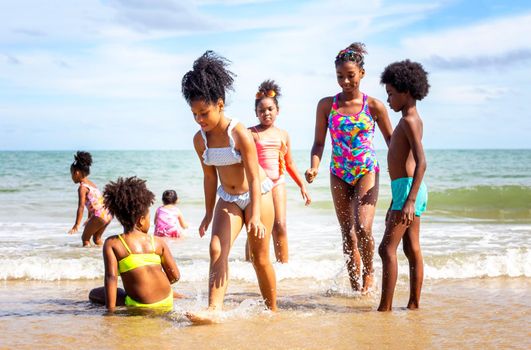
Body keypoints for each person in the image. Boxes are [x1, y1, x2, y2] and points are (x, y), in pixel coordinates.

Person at [181, 51, 277, 324]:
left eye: (204, 113)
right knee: (216, 248)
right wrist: (208, 213)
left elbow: (255, 177)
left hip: (259, 195)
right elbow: (210, 178)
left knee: (260, 258)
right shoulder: (200, 140)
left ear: (220, 105)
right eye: (195, 114)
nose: (200, 119)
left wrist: (255, 215)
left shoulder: (239, 133)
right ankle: (214, 309)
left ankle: (272, 310)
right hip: (229, 197)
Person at [305, 43, 393, 293]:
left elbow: (392, 141)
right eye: (340, 76)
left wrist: (400, 171)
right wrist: (314, 167)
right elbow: (319, 143)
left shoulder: (374, 106)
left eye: (350, 75)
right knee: (348, 232)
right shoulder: (326, 105)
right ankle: (355, 286)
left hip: (366, 170)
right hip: (339, 172)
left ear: (362, 74)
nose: (345, 81)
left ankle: (369, 273)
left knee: (363, 228)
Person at [377, 60, 429, 311]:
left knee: (386, 250)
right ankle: (413, 304)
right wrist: (395, 201)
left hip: (409, 190)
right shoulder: (409, 119)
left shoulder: (409, 120)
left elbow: (421, 162)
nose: (388, 100)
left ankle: (384, 309)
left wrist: (408, 200)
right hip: (404, 190)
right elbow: (405, 163)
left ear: (406, 92)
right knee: (410, 248)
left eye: (390, 94)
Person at [88, 176, 181, 312]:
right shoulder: (157, 242)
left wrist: (110, 311)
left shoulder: (113, 243)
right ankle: (173, 295)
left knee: (94, 294)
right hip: (167, 300)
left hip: (141, 305)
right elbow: (175, 276)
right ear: (141, 220)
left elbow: (111, 278)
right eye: (149, 218)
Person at [245, 80, 311, 263]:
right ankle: (249, 265)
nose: (266, 113)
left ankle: (284, 267)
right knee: (256, 226)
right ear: (256, 113)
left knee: (280, 225)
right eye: (261, 110)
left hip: (278, 182)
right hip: (258, 184)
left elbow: (288, 163)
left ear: (277, 110)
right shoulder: (250, 133)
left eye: (270, 109)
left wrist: (302, 185)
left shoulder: (283, 134)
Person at [68, 151, 112, 247]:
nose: (71, 177)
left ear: (77, 172)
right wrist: (89, 218)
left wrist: (77, 224)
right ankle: (97, 257)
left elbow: (81, 207)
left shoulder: (82, 188)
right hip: (107, 214)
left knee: (85, 238)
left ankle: (86, 258)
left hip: (99, 215)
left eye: (71, 173)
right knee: (97, 239)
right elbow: (93, 203)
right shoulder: (92, 184)